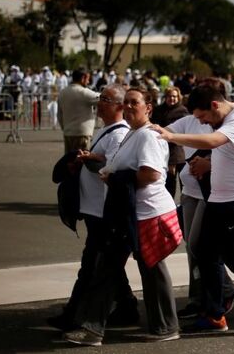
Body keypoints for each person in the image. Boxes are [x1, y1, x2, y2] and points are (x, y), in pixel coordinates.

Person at [153, 84, 234, 336]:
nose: (202, 122)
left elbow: (214, 141)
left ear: (215, 105)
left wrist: (171, 138)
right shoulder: (219, 117)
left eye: (203, 117)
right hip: (220, 198)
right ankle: (215, 315)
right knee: (204, 252)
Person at [64, 87, 180, 346]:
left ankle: (164, 326)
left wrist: (115, 178)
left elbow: (151, 174)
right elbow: (122, 162)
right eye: (125, 102)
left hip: (145, 213)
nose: (127, 106)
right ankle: (99, 328)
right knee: (114, 268)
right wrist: (99, 160)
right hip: (129, 211)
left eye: (134, 102)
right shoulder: (133, 133)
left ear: (148, 107)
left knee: (146, 269)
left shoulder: (147, 136)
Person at [47, 84, 137, 332]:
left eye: (105, 99)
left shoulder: (119, 133)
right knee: (106, 264)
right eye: (100, 97)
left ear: (119, 105)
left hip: (104, 211)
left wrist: (91, 159)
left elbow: (113, 168)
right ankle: (128, 306)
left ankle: (74, 314)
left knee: (91, 265)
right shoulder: (106, 129)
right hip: (95, 208)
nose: (99, 102)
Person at [150, 86, 189, 197]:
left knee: (182, 185)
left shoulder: (183, 111)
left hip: (178, 152)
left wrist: (173, 160)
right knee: (167, 184)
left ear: (178, 97)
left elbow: (181, 134)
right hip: (161, 150)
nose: (172, 98)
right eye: (169, 96)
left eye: (174, 96)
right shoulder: (158, 110)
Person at [57, 69, 100, 154]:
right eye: (88, 79)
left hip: (68, 133)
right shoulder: (83, 92)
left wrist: (65, 128)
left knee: (69, 162)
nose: (88, 82)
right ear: (83, 78)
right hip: (82, 134)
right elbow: (103, 98)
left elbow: (59, 115)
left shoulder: (62, 92)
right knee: (81, 163)